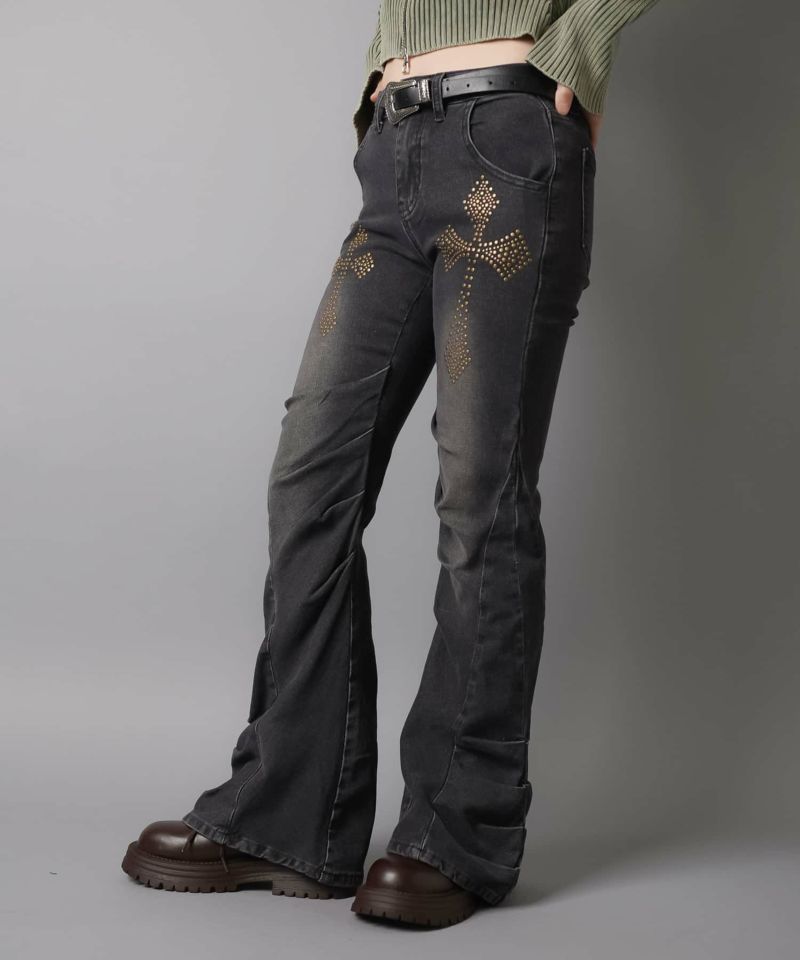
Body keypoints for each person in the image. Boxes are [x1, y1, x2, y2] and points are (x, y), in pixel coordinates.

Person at [122, 0, 660, 929]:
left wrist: (584, 38)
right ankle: (290, 814)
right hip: (398, 151)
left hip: (510, 137)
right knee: (311, 478)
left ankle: (457, 832)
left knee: (478, 490)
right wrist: (383, 73)